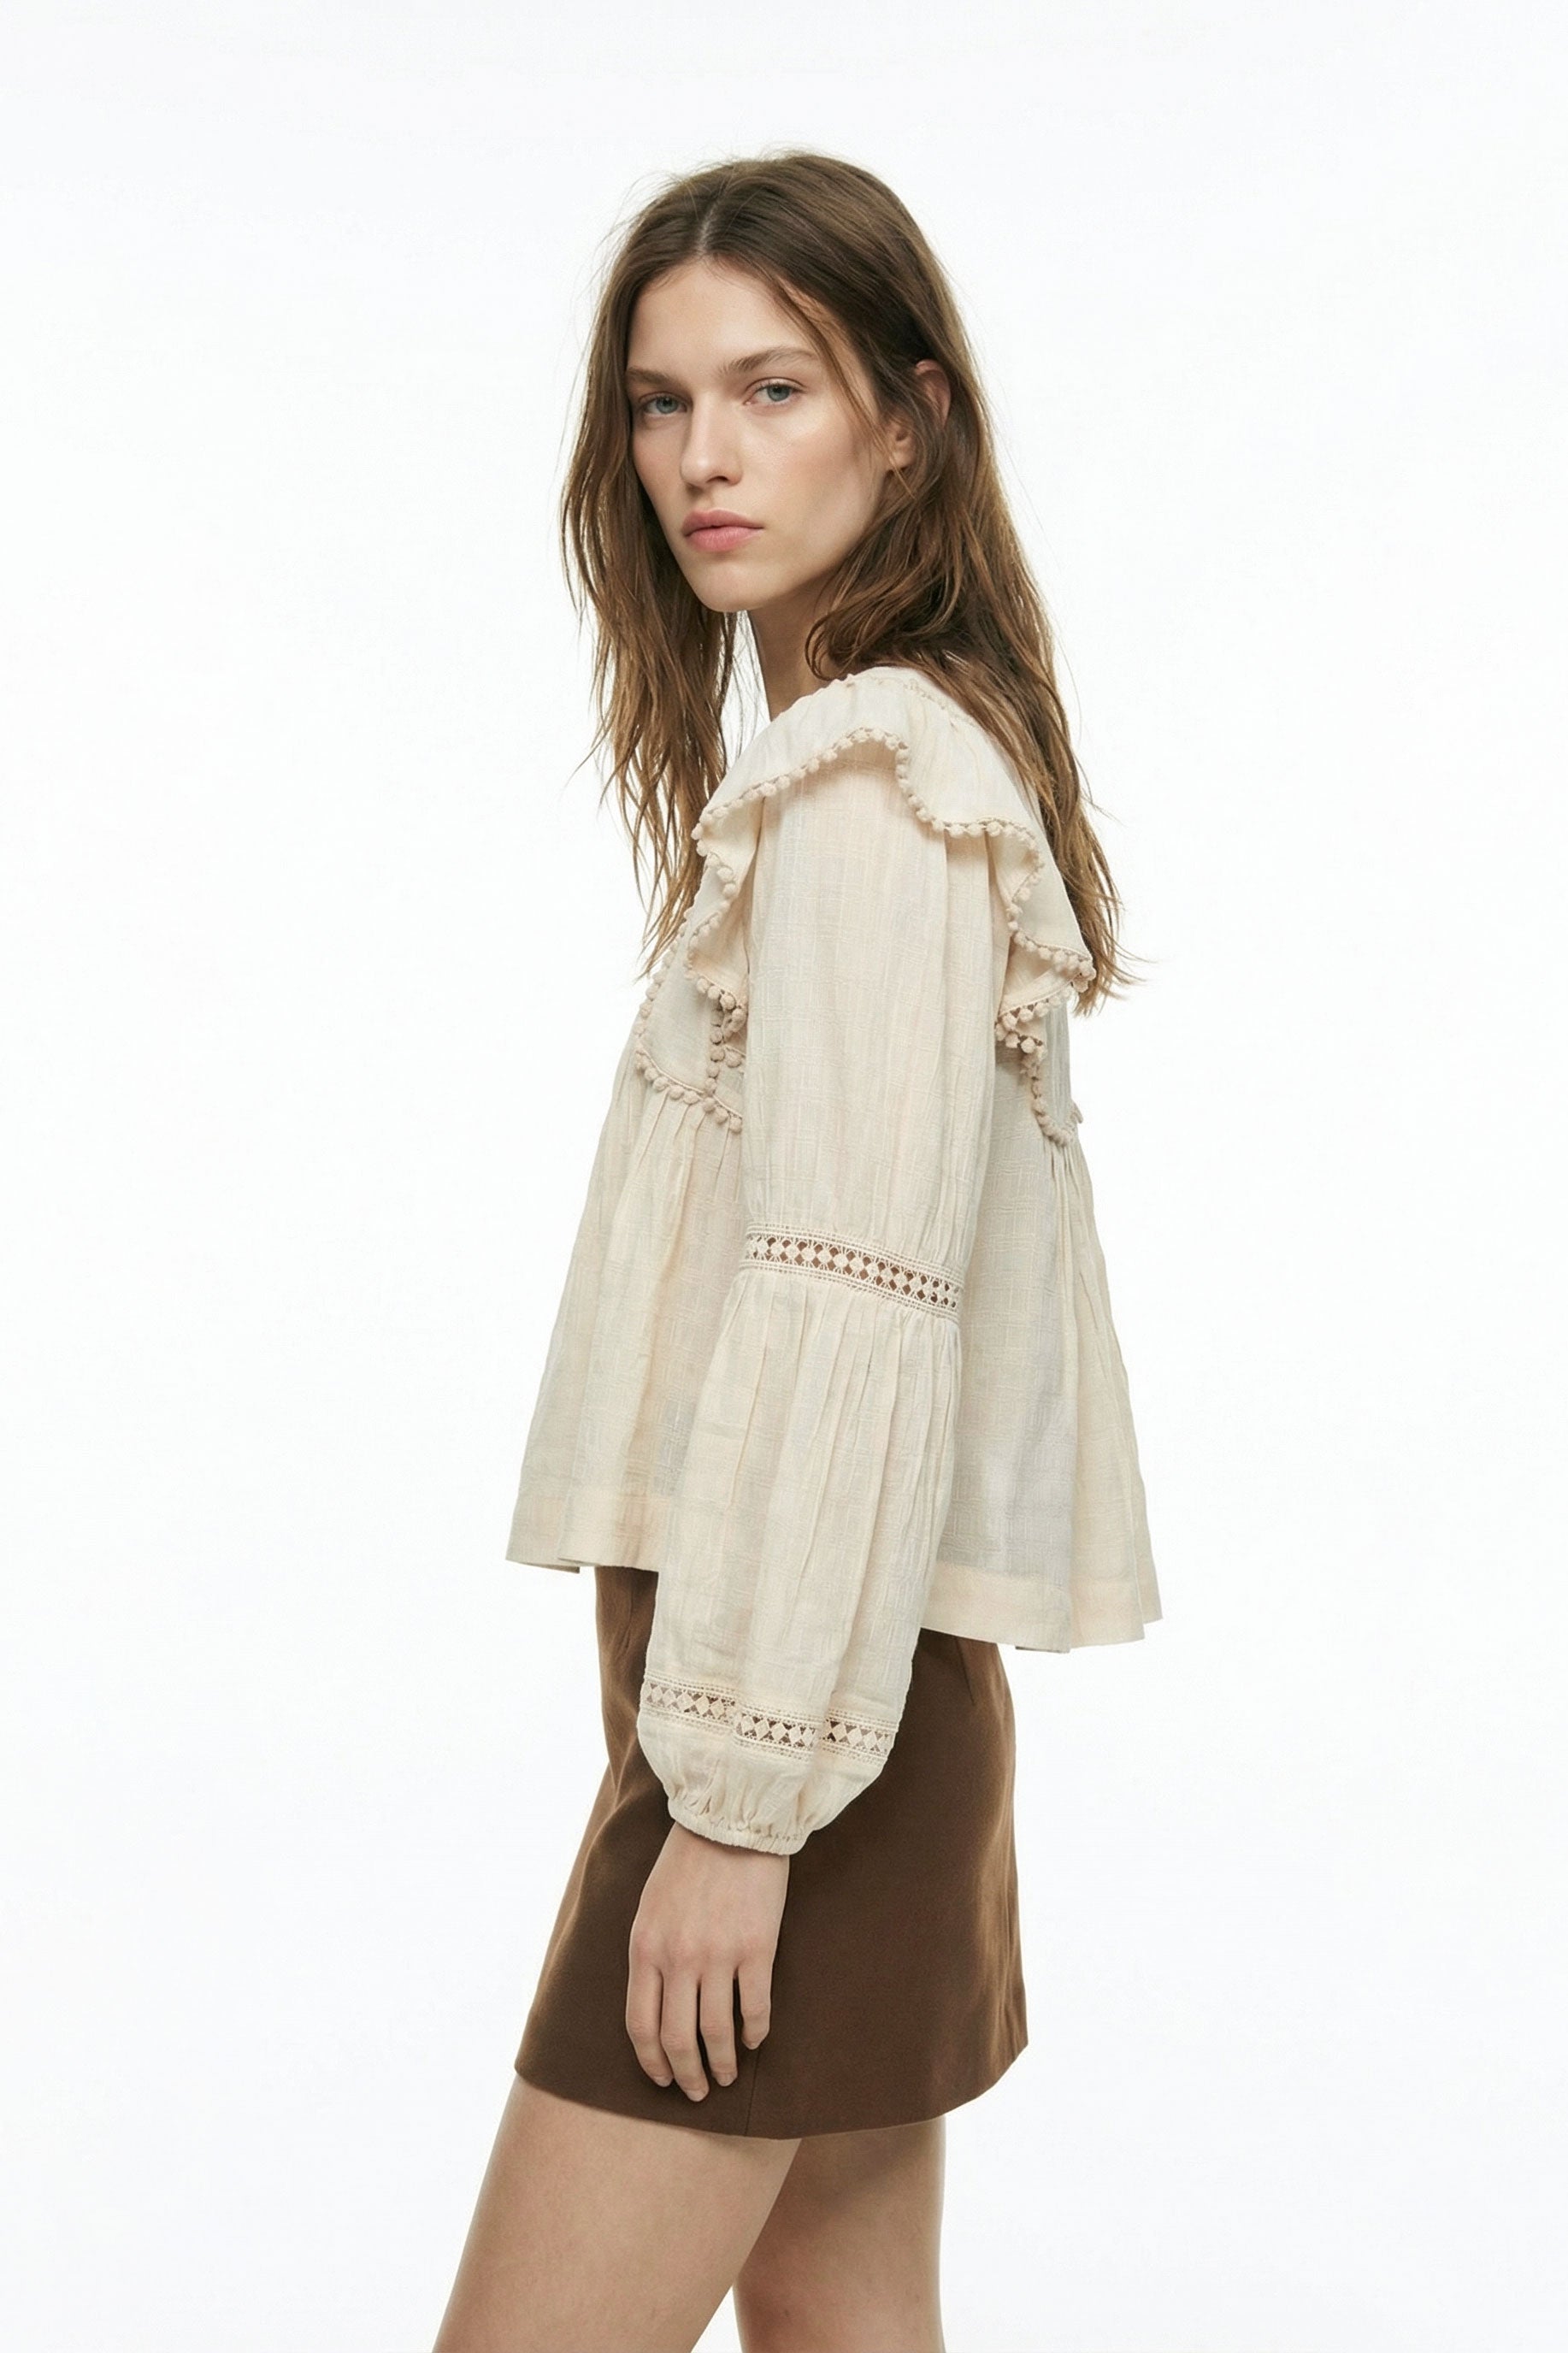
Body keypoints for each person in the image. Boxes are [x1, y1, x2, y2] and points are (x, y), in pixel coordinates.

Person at [433, 148, 1161, 2353]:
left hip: (795, 1732)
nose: (705, 459)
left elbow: (856, 1309)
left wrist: (736, 1807)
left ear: (909, 420)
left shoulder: (868, 792)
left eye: (774, 387)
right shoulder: (894, 764)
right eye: (660, 405)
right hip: (853, 1692)